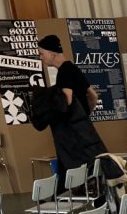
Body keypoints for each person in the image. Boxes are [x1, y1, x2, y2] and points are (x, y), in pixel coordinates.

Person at [35, 34, 106, 192]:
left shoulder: (64, 72)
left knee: (69, 171)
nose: (41, 57)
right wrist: (84, 116)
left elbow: (66, 99)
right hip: (82, 131)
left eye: (42, 53)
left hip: (71, 135)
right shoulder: (74, 68)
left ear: (52, 53)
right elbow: (93, 96)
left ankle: (60, 200)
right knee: (68, 171)